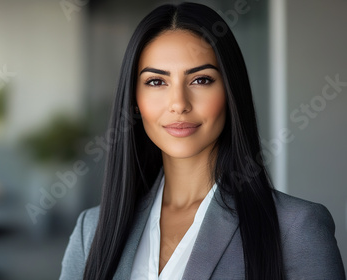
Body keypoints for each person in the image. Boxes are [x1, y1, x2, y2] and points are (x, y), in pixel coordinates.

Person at [59, 2, 345, 280]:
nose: (179, 104)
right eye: (156, 82)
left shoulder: (296, 227)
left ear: (230, 91)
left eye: (201, 80)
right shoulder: (92, 231)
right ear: (134, 101)